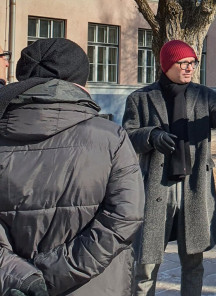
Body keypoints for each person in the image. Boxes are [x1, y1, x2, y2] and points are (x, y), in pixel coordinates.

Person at [0, 38, 145, 295]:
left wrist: (24, 276)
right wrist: (57, 272)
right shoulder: (111, 138)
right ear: (80, 82)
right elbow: (125, 216)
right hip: (93, 284)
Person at [123, 39, 216, 296]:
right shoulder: (140, 98)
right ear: (167, 64)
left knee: (193, 263)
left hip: (194, 186)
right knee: (145, 265)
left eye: (192, 63)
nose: (189, 68)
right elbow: (127, 137)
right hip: (156, 187)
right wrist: (151, 135)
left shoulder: (202, 94)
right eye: (183, 63)